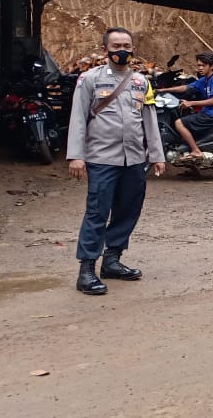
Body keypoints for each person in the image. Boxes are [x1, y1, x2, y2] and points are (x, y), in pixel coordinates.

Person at [67, 27, 165, 295]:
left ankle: (112, 260)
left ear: (133, 48)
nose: (122, 50)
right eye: (116, 45)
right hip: (101, 158)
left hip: (134, 159)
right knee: (97, 212)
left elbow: (149, 120)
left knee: (128, 210)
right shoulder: (89, 79)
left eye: (126, 45)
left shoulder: (141, 82)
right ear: (105, 50)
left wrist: (156, 154)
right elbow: (77, 118)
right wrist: (76, 155)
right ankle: (86, 269)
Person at [156, 53, 213, 158]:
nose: (200, 68)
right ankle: (191, 161)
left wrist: (190, 103)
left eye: (203, 65)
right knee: (186, 120)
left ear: (211, 66)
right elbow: (186, 87)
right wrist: (163, 90)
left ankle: (196, 151)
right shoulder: (205, 79)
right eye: (199, 65)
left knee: (179, 123)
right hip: (207, 112)